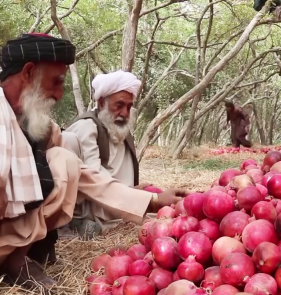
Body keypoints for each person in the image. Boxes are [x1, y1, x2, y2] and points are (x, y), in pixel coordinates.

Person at [0, 33, 185, 292]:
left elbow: (86, 175)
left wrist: (152, 201)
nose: (59, 94)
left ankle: (15, 260)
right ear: (28, 73)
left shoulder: (38, 124)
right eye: (56, 82)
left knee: (64, 161)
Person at [63, 71, 153, 236]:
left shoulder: (121, 130)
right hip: (94, 202)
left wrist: (135, 191)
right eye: (119, 106)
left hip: (120, 202)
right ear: (102, 102)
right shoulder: (87, 126)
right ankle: (74, 222)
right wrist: (135, 195)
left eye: (129, 106)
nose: (125, 113)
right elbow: (93, 179)